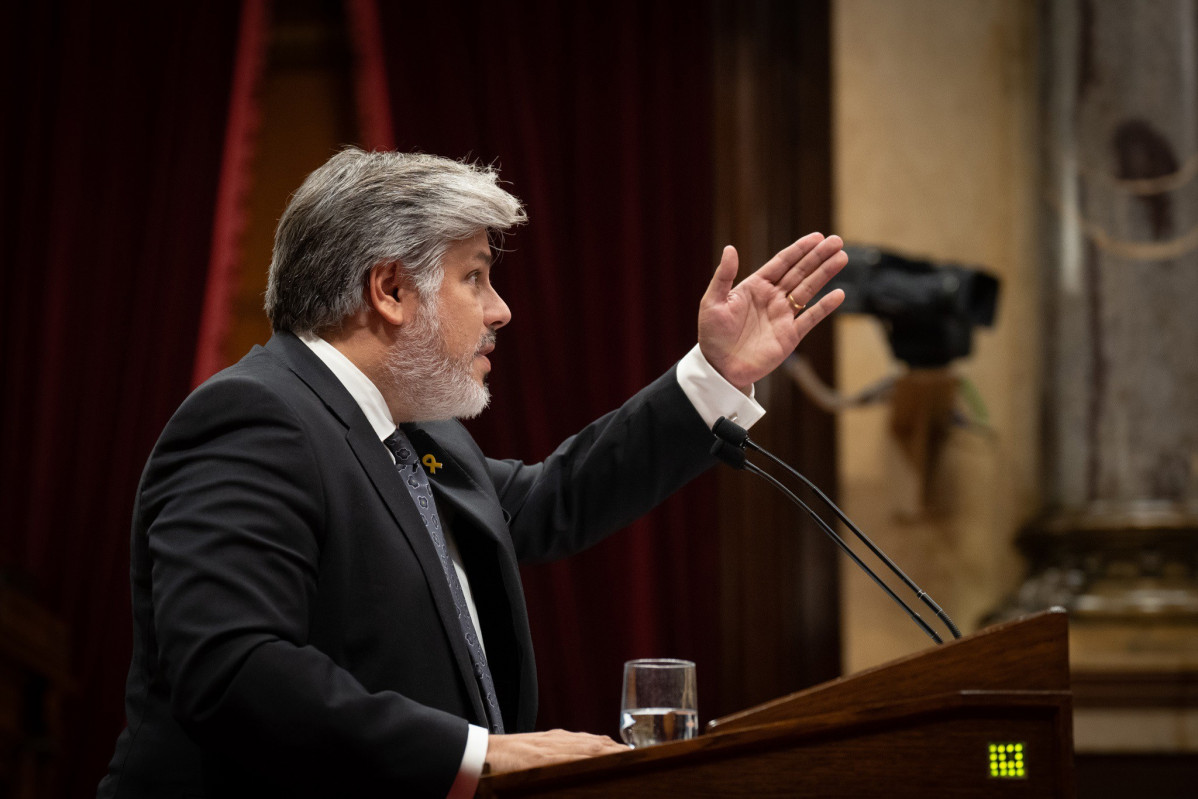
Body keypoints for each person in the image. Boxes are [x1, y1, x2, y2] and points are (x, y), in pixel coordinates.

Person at [97, 147, 846, 798]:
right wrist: (483, 754)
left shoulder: (416, 436)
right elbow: (235, 670)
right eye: (476, 277)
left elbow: (555, 497)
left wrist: (713, 376)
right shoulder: (254, 419)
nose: (501, 309)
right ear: (390, 290)